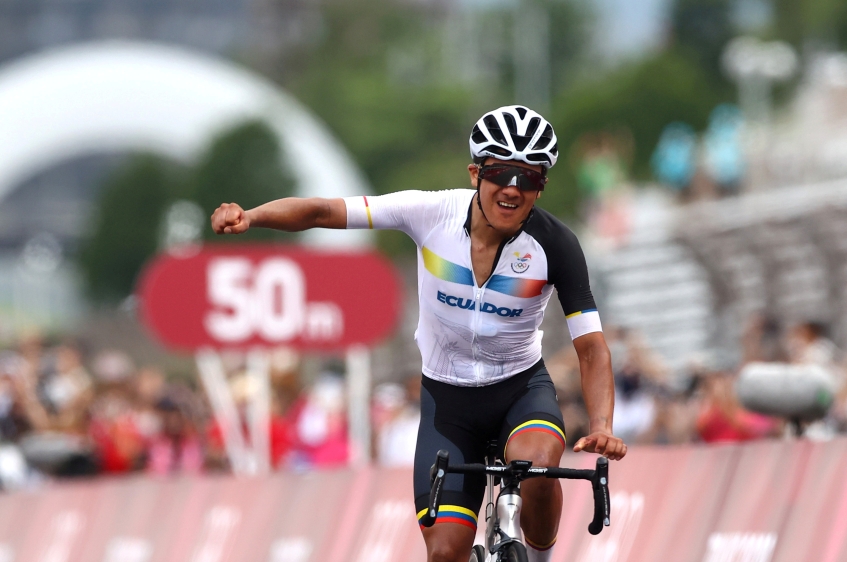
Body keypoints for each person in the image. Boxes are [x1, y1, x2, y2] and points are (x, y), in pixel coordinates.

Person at [210, 105, 626, 562]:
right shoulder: (430, 213)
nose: (512, 188)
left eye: (528, 178)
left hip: (520, 390)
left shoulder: (557, 245)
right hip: (448, 403)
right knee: (445, 553)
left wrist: (602, 426)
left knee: (540, 469)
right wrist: (251, 216)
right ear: (475, 173)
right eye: (500, 174)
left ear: (541, 186)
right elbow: (323, 210)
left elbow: (592, 348)